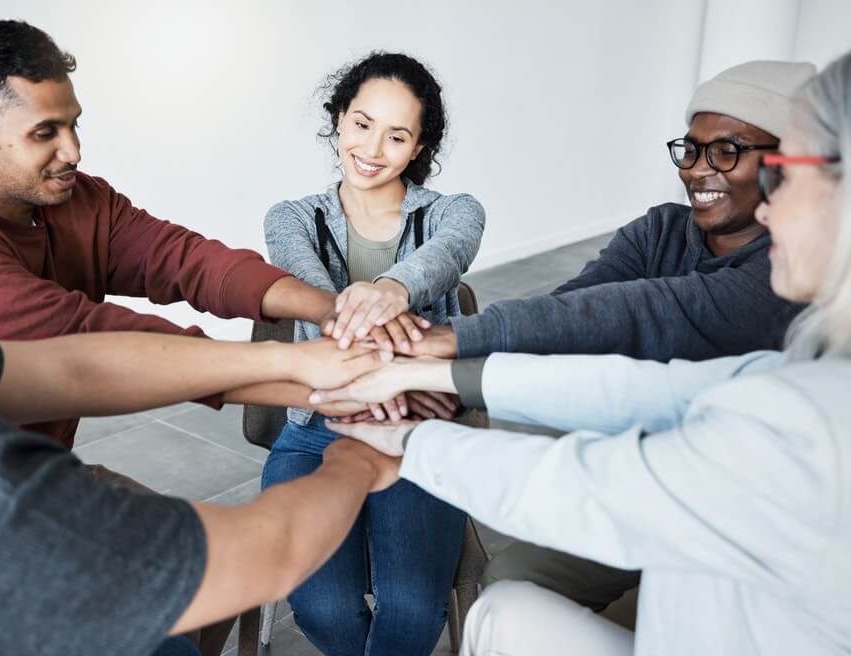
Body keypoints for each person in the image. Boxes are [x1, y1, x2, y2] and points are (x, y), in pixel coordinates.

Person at [0, 3, 400, 654]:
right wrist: (361, 457)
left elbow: (79, 364)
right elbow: (269, 554)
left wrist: (313, 353)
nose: (73, 152)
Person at [320, 50, 851, 655]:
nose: (770, 201)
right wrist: (444, 375)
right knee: (499, 605)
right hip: (685, 519)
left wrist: (418, 424)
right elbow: (634, 376)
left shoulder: (805, 408)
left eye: (784, 175)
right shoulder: (798, 364)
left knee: (486, 609)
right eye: (693, 149)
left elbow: (603, 468)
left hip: (681, 527)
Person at [0, 19, 359, 448]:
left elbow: (184, 260)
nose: (73, 151)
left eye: (74, 124)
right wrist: (322, 378)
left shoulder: (80, 200)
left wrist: (331, 310)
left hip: (37, 471)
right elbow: (93, 350)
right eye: (44, 133)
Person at [261, 51, 486, 655]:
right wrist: (384, 327)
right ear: (337, 119)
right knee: (322, 606)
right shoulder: (291, 220)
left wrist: (389, 291)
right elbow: (320, 307)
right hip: (317, 427)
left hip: (420, 427)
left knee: (413, 608)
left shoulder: (452, 213)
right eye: (361, 124)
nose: (373, 148)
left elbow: (448, 255)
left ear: (418, 148)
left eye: (397, 135)